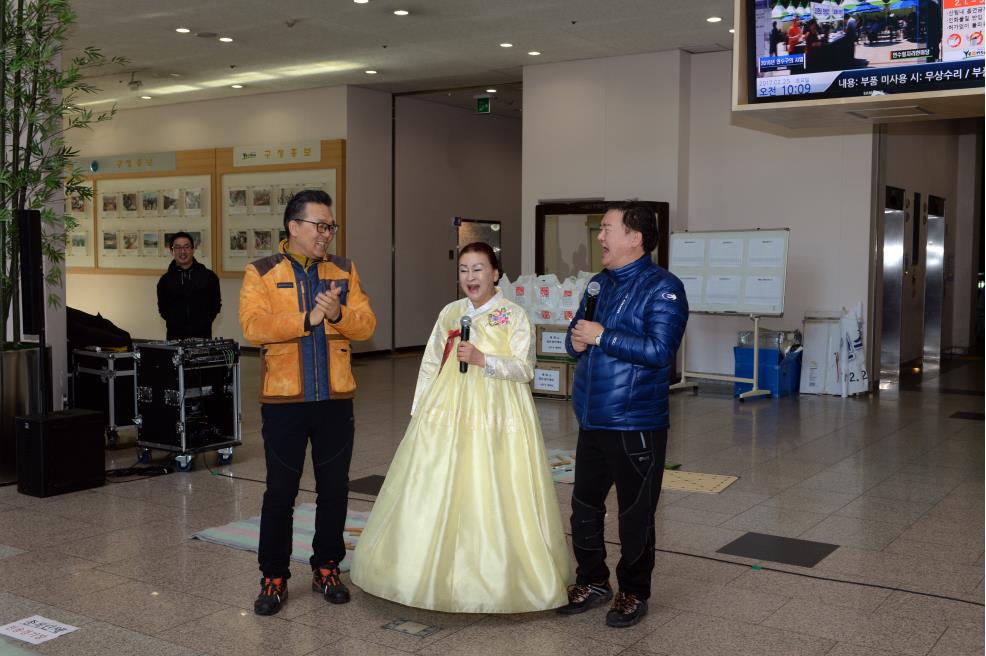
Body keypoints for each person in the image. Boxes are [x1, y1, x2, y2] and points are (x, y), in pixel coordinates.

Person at [351, 242, 571, 613]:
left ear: (495, 273)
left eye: (478, 269)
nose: (470, 277)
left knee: (492, 482)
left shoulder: (513, 315)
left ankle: (498, 573)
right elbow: (430, 363)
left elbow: (525, 368)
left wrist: (485, 359)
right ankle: (418, 567)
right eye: (464, 270)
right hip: (447, 409)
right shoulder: (451, 313)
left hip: (497, 412)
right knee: (436, 478)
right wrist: (419, 411)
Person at [240, 189, 376, 616]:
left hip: (335, 399)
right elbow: (253, 327)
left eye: (330, 227)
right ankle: (274, 576)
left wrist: (337, 314)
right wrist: (307, 318)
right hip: (285, 402)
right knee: (280, 492)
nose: (326, 234)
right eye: (319, 225)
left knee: (334, 489)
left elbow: (366, 326)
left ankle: (327, 568)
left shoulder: (344, 270)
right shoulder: (262, 272)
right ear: (293, 226)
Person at [557, 201, 688, 628]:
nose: (599, 237)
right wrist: (575, 342)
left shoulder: (664, 288)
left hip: (636, 423)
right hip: (592, 417)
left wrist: (602, 337)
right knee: (583, 507)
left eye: (607, 228)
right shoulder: (599, 284)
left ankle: (633, 591)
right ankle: (592, 580)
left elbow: (660, 351)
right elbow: (577, 335)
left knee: (635, 515)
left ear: (635, 237)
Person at [156, 231, 221, 340]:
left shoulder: (209, 277)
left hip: (202, 337)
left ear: (193, 249)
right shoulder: (165, 280)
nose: (182, 251)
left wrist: (203, 322)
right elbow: (163, 309)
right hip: (174, 338)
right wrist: (175, 322)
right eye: (177, 247)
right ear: (172, 251)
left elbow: (215, 305)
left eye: (186, 247)